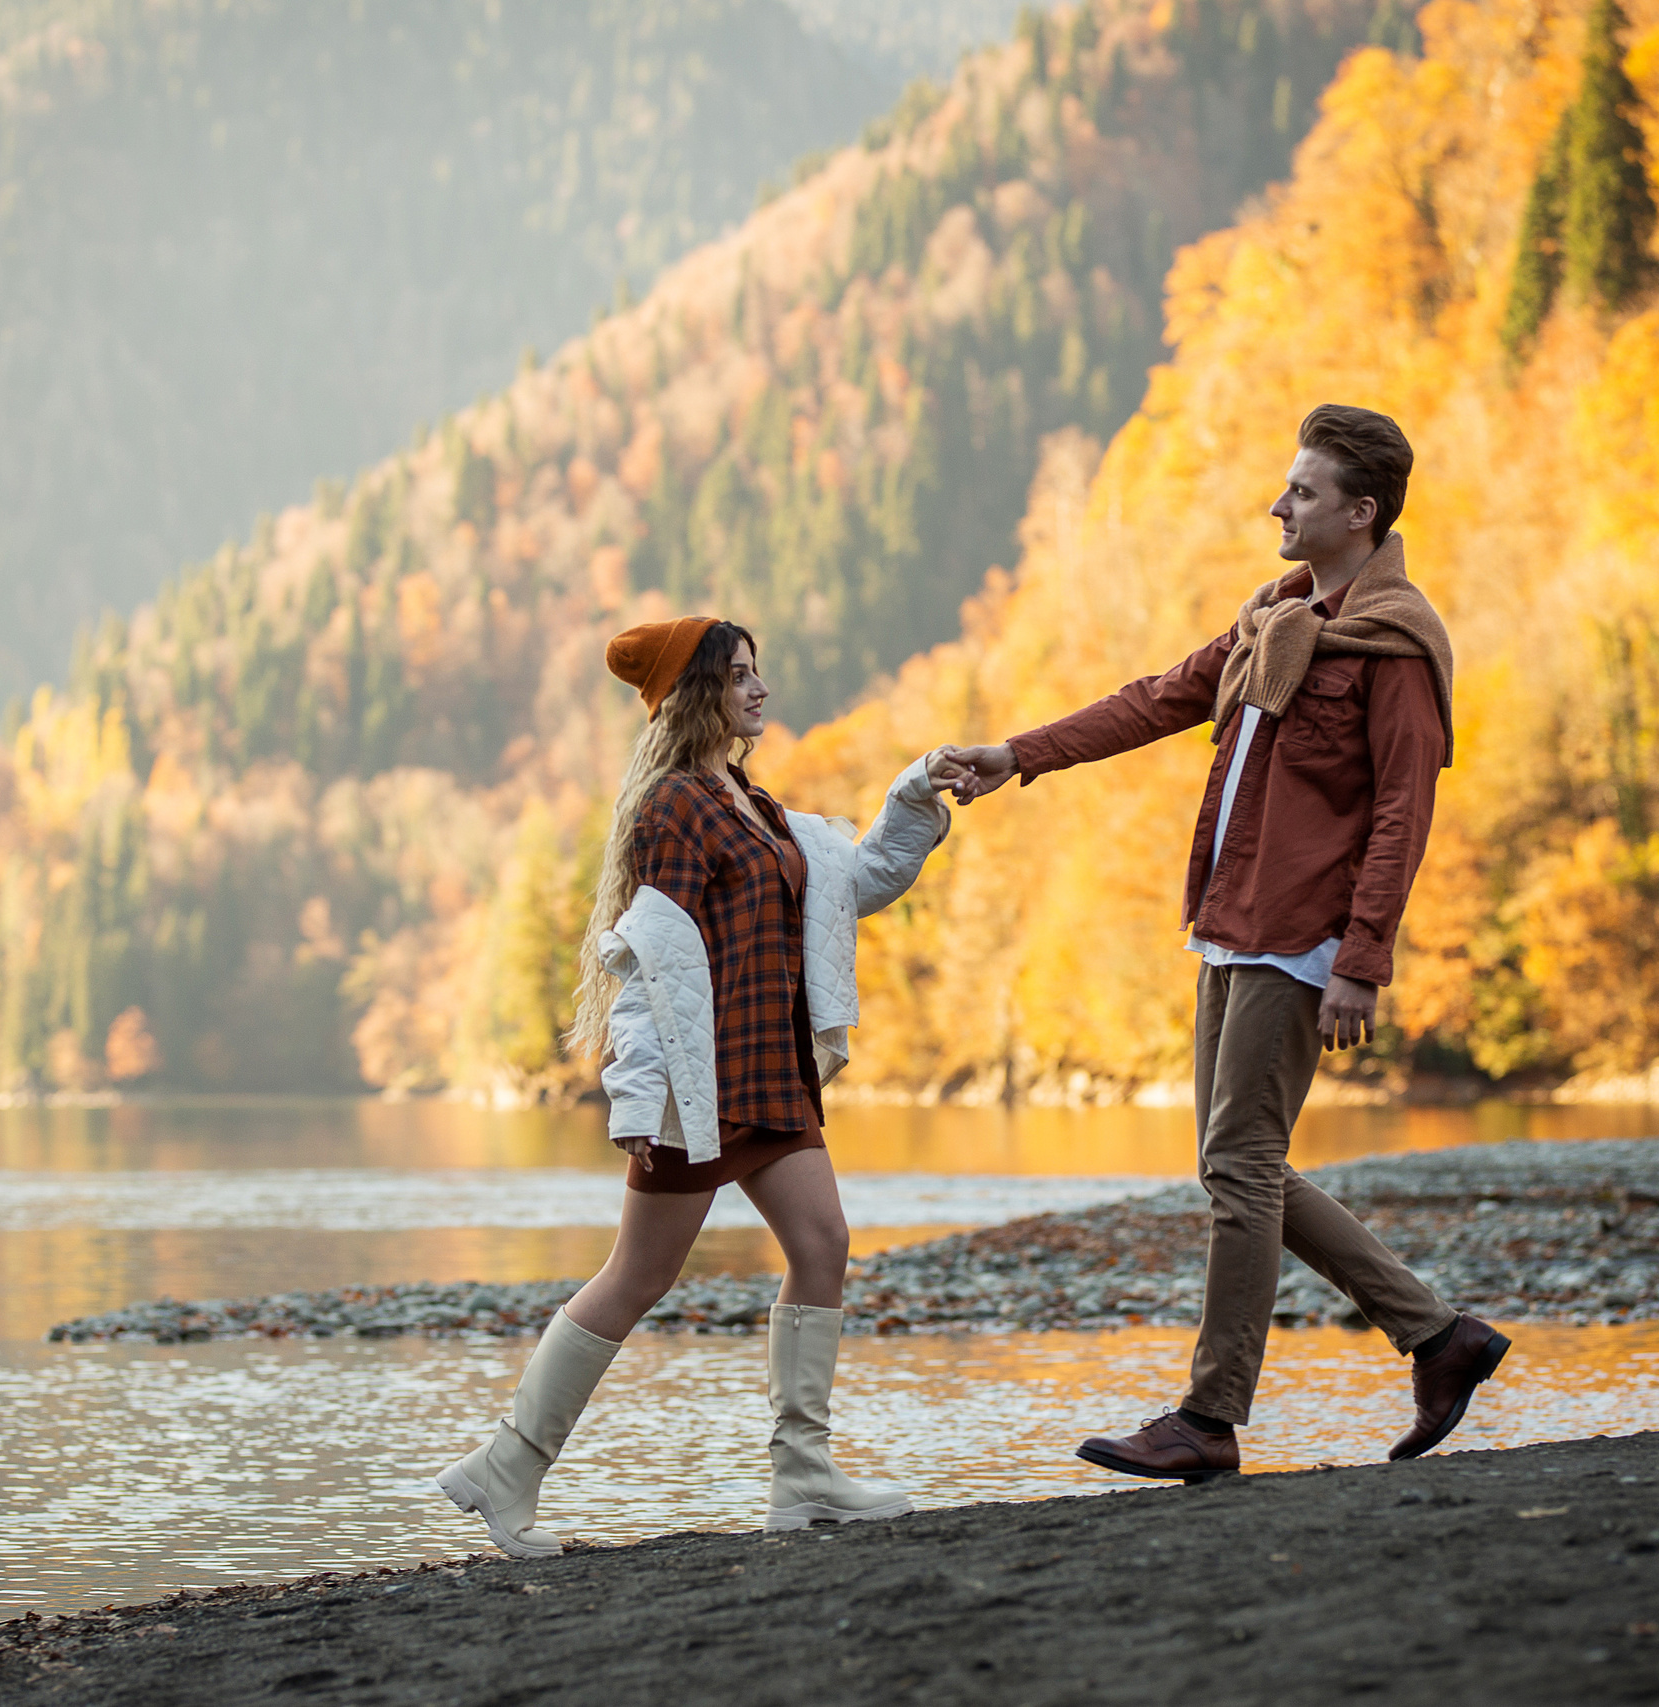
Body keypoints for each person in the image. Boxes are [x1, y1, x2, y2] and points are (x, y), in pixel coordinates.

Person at [932, 404, 1507, 1479]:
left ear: (1360, 513)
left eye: (1301, 492)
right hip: (1231, 920)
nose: (1277, 506)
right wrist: (1018, 754)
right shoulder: (1274, 617)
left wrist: (1361, 959)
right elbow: (1155, 700)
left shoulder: (1396, 645)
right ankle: (1438, 1336)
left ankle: (1210, 1416)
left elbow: (1402, 813)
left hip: (1304, 934)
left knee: (1239, 1165)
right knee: (1238, 1163)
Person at [435, 615, 953, 1555]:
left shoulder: (754, 802)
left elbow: (848, 887)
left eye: (759, 672)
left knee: (824, 1243)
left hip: (773, 1071)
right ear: (698, 693)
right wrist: (639, 1096)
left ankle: (803, 1474)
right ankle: (507, 1466)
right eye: (741, 675)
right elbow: (652, 953)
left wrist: (916, 791)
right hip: (698, 1084)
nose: (761, 689)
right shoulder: (673, 806)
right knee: (638, 1275)